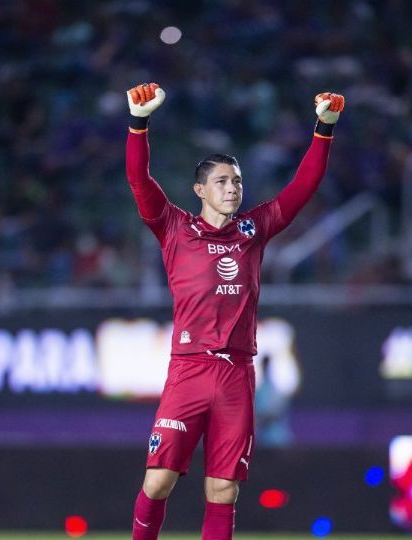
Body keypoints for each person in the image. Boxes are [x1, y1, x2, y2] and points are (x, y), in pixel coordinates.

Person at [124, 82, 344, 540]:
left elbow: (303, 187)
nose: (232, 188)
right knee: (158, 480)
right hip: (189, 369)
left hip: (237, 374)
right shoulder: (173, 227)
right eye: (222, 181)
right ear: (200, 189)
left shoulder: (254, 229)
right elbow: (140, 181)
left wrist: (324, 128)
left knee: (223, 489)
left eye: (238, 181)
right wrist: (138, 124)